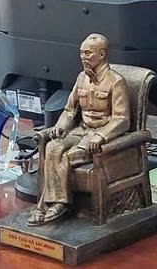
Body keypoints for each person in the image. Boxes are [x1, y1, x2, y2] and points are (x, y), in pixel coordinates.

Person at [28, 33, 131, 226]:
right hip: (79, 131)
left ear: (102, 54)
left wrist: (101, 136)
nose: (83, 57)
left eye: (88, 53)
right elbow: (70, 110)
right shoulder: (81, 78)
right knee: (52, 147)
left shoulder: (116, 81)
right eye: (81, 53)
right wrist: (60, 127)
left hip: (96, 137)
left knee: (66, 157)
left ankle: (51, 206)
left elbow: (122, 120)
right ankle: (55, 204)